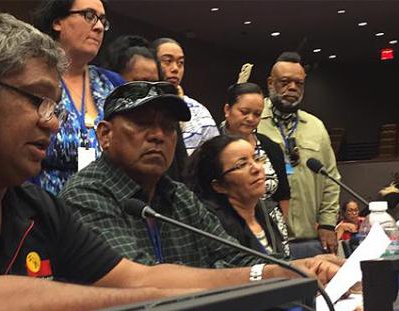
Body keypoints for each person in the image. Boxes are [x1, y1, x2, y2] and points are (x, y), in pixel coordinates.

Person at [0, 14, 336, 310]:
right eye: (37, 100)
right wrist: (146, 300)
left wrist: (273, 272)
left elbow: (131, 279)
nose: (53, 122)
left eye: (56, 105)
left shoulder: (31, 203)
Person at [60, 81, 340, 275]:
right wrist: (263, 273)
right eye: (142, 123)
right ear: (105, 135)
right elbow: (141, 280)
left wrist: (303, 266)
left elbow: (235, 255)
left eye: (169, 127)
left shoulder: (178, 196)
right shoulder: (86, 194)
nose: (158, 134)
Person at [32, 0, 126, 195]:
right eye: (89, 15)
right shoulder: (34, 78)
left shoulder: (112, 83)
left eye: (102, 20)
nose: (99, 27)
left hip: (106, 209)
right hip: (43, 211)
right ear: (57, 21)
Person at [257, 51, 340, 257]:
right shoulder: (253, 122)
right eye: (284, 82)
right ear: (270, 83)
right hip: (266, 241)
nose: (292, 88)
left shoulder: (316, 126)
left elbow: (331, 179)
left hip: (310, 237)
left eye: (299, 83)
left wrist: (328, 224)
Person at [186, 134, 290, 260]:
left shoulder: (264, 213)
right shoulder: (216, 227)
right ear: (219, 185)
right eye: (242, 165)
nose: (257, 168)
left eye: (256, 159)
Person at [101, 34, 188, 181]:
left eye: (154, 83)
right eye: (140, 83)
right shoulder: (101, 113)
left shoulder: (167, 121)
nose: (158, 135)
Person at [220, 82, 291, 217]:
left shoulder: (271, 147)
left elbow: (283, 195)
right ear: (227, 110)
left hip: (271, 225)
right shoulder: (213, 147)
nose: (251, 119)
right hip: (227, 223)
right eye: (244, 112)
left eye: (257, 114)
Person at [151, 37, 218, 155]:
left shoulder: (199, 112)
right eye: (167, 61)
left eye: (180, 63)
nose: (175, 69)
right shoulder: (138, 105)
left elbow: (214, 158)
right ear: (151, 62)